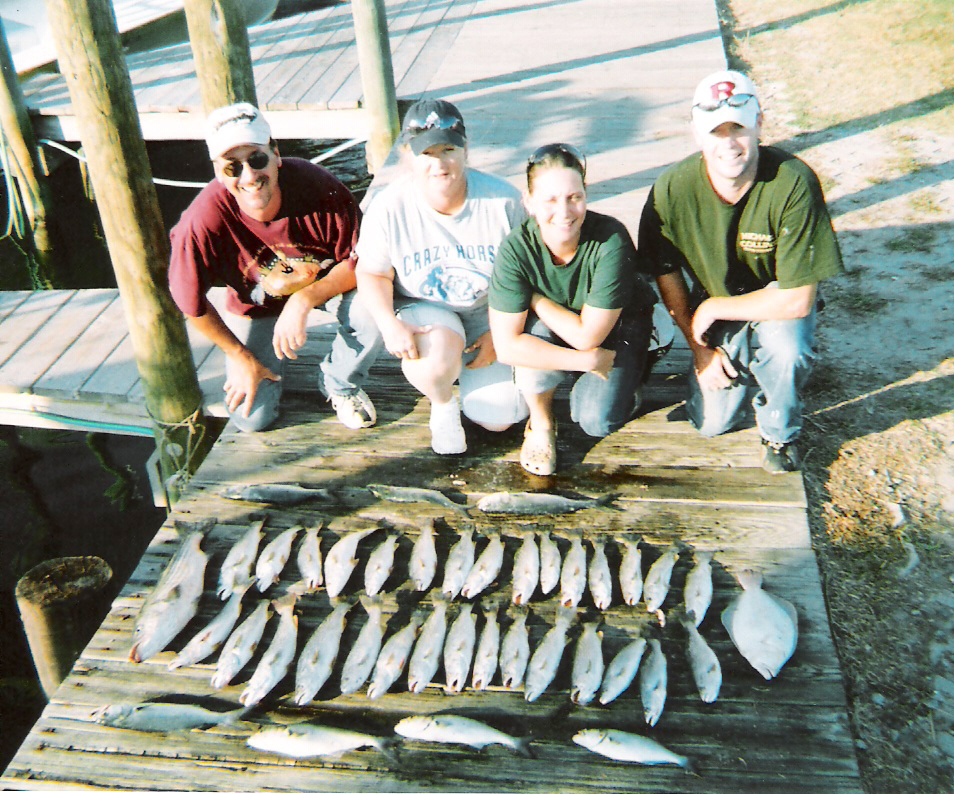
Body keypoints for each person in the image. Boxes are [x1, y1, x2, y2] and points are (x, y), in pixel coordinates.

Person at [638, 70, 844, 473]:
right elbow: (665, 272)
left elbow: (798, 298)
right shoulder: (671, 188)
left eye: (740, 128)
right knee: (713, 423)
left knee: (788, 349)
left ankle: (779, 431)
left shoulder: (794, 181)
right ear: (698, 135)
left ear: (760, 125)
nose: (729, 143)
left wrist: (715, 308)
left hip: (776, 302)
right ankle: (744, 364)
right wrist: (699, 351)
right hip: (718, 308)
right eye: (717, 131)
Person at [168, 102, 381, 432]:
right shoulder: (200, 221)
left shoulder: (319, 187)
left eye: (257, 159)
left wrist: (303, 299)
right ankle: (267, 360)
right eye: (232, 168)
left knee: (373, 309)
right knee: (252, 419)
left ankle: (339, 383)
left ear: (276, 154)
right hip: (256, 304)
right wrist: (240, 355)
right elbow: (189, 304)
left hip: (322, 284)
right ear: (218, 174)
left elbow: (362, 262)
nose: (250, 176)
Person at [355, 98, 529, 454]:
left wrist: (503, 333)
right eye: (427, 152)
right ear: (407, 155)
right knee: (436, 361)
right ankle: (443, 404)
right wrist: (389, 323)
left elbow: (530, 275)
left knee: (501, 417)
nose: (440, 163)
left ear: (466, 149)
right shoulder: (388, 208)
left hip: (487, 315)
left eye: (449, 149)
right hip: (427, 312)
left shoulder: (504, 200)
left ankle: (467, 376)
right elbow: (372, 273)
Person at [489, 143, 657, 476]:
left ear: (585, 194)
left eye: (574, 197)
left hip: (615, 328)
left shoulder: (611, 238)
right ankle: (541, 424)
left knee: (596, 420)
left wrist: (535, 298)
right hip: (564, 336)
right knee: (529, 338)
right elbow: (507, 346)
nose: (564, 212)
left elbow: (588, 336)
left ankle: (642, 365)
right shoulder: (515, 248)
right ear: (529, 201)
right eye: (550, 200)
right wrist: (583, 362)